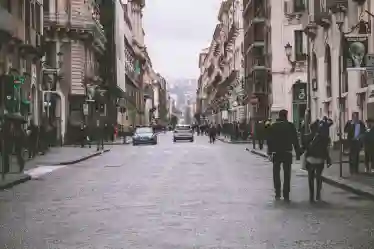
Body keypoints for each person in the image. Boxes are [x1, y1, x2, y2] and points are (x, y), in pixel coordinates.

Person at [267, 109, 301, 201]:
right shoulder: (290, 126)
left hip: (276, 153)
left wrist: (269, 153)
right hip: (287, 152)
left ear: (279, 115)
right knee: (287, 174)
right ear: (286, 115)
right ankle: (286, 193)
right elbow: (295, 140)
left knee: (276, 173)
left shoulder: (273, 126)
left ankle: (277, 192)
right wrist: (298, 153)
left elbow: (269, 140)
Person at [302, 120, 332, 202]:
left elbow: (304, 149)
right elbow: (325, 150)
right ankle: (318, 195)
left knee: (310, 178)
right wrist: (328, 159)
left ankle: (311, 196)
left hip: (310, 160)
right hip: (320, 160)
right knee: (319, 177)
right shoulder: (323, 138)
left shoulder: (306, 137)